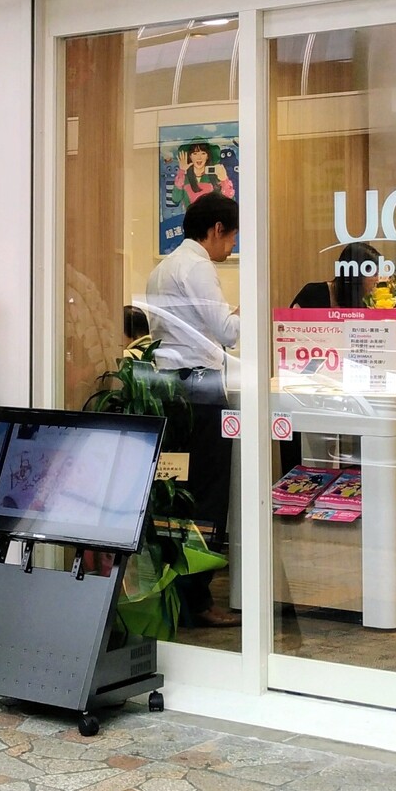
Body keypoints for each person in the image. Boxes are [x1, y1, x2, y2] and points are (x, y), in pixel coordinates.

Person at [143, 191, 240, 629]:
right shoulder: (198, 266)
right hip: (201, 389)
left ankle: (176, 592)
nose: (231, 247)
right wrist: (248, 310)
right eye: (231, 237)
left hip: (168, 387)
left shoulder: (163, 268)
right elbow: (227, 332)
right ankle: (199, 598)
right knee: (208, 494)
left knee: (178, 493)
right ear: (216, 229)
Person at [290, 242, 381, 310]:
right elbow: (290, 326)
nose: (378, 280)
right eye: (374, 274)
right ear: (355, 276)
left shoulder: (368, 303)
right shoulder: (313, 294)